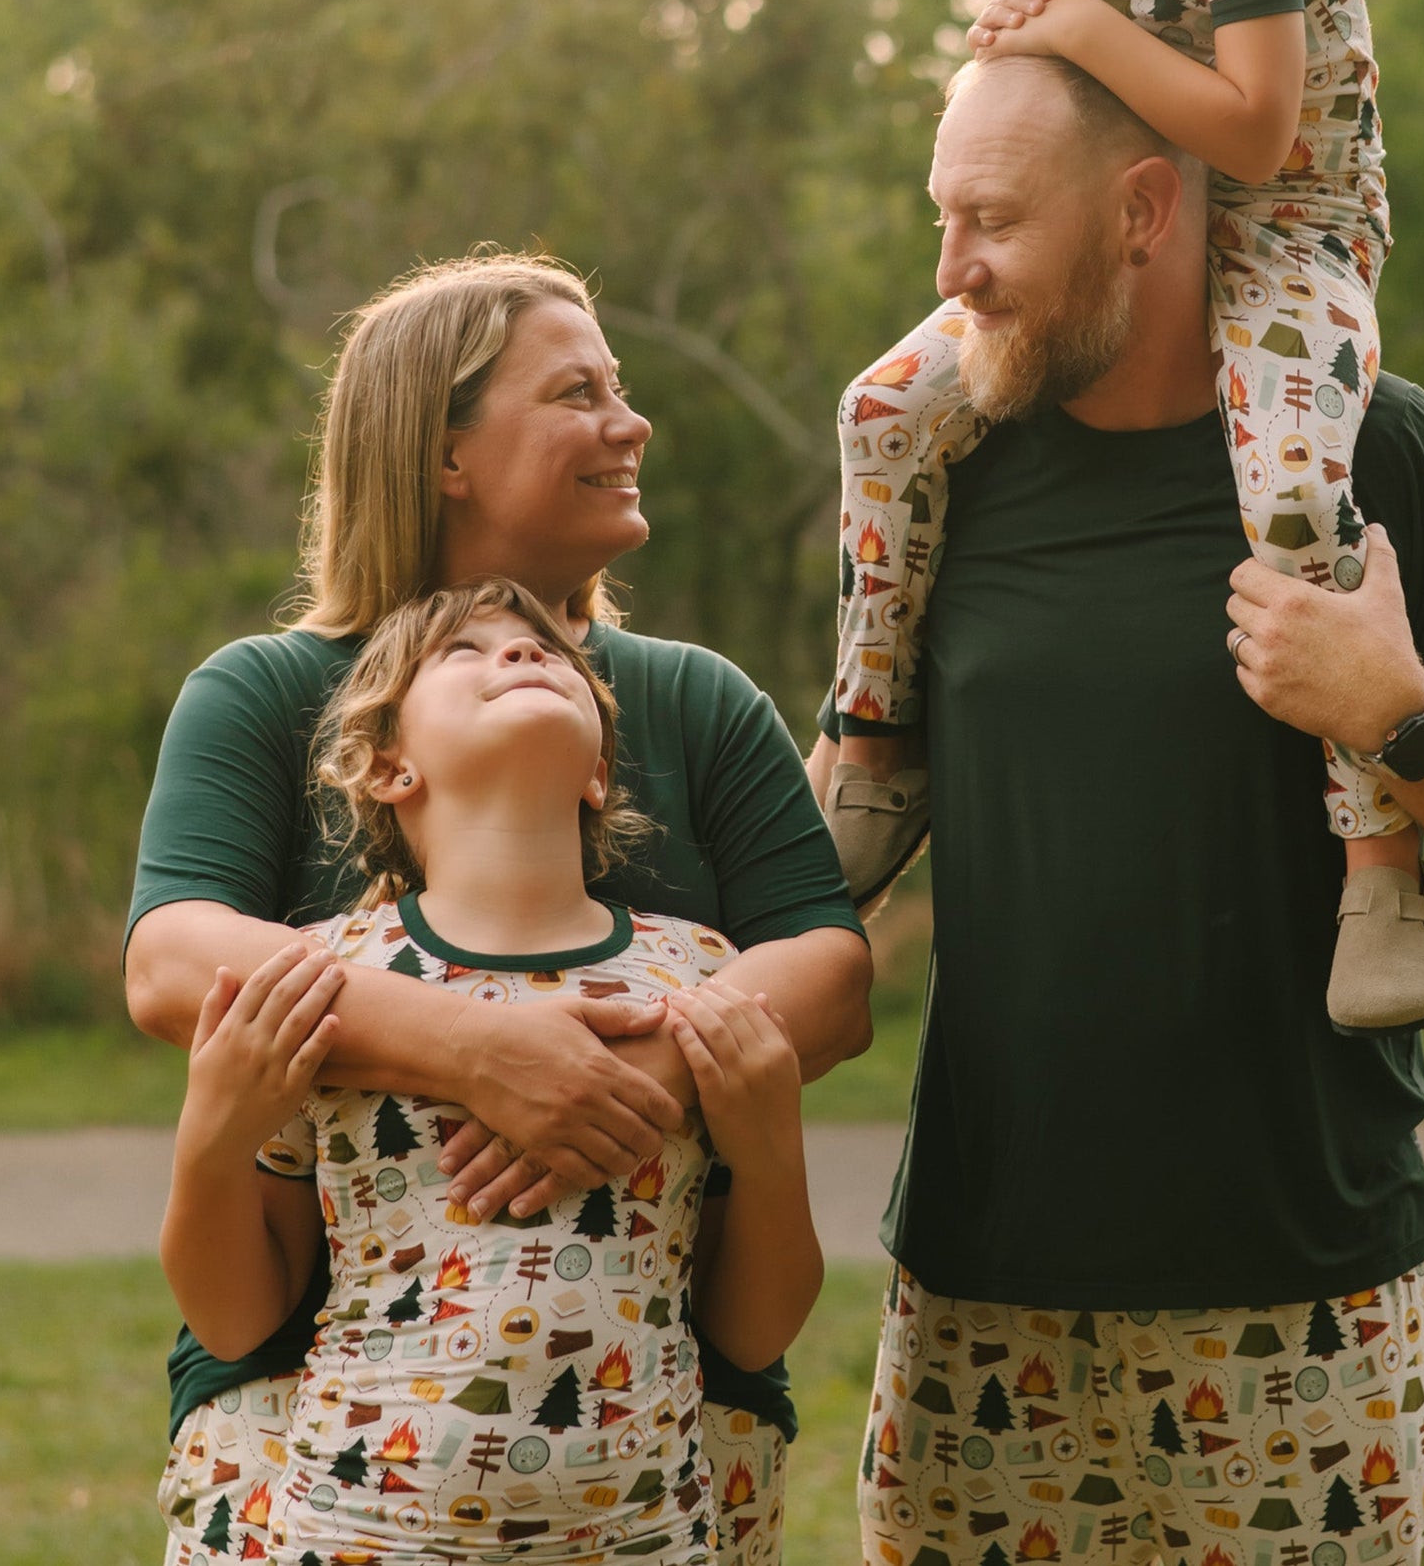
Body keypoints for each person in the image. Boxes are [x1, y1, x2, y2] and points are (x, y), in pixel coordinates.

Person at [807, 53, 1424, 1566]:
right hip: (977, 1301)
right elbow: (843, 802)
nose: (948, 272)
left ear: (1139, 210)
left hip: (1308, 1297)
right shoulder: (941, 471)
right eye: (939, 216)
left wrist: (1399, 712)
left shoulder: (1376, 448)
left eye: (990, 220)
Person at [129, 255, 871, 1565]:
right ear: (445, 452)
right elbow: (174, 962)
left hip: (666, 1432)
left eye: (620, 390)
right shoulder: (261, 691)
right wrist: (481, 1048)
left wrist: (635, 1078)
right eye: (578, 393)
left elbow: (825, 969)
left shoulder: (692, 699)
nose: (629, 423)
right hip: (311, 1433)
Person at [819, 0, 1424, 1033]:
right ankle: (871, 743)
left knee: (1287, 482)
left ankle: (1380, 853)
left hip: (1288, 232)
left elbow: (1255, 131)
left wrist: (1085, 31)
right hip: (1129, 236)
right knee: (883, 412)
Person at [161, 577, 823, 1564]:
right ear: (386, 764)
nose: (520, 655)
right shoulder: (321, 976)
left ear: (600, 770)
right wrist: (211, 1133)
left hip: (644, 1537)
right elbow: (236, 1312)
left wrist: (771, 1153)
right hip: (355, 1534)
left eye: (550, 652)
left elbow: (750, 1327)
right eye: (465, 651)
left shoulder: (703, 975)